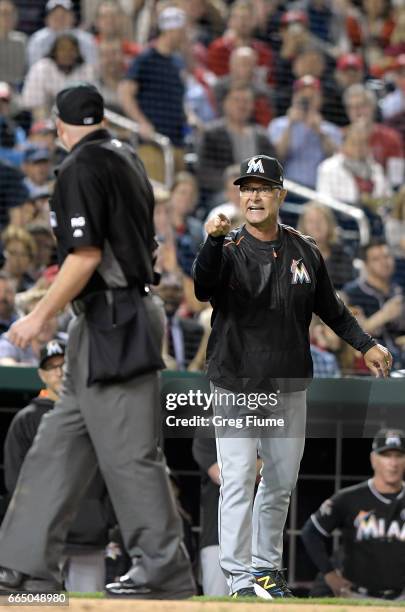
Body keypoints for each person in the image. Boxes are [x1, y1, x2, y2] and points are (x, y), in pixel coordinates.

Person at [0, 83, 195, 599]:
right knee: (55, 446)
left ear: (61, 126)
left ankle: (162, 569)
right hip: (106, 318)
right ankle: (23, 568)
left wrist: (41, 316)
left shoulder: (81, 166)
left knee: (130, 455)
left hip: (117, 319)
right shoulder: (126, 156)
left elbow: (84, 256)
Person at [192, 154, 392, 598]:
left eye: (263, 187)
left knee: (280, 484)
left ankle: (265, 570)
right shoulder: (226, 249)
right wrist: (210, 242)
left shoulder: (305, 249)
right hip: (236, 381)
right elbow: (203, 288)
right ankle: (240, 578)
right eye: (247, 188)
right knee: (240, 477)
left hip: (286, 384)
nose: (254, 195)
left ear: (281, 195)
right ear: (239, 196)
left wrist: (366, 343)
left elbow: (332, 309)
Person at [3, 339, 110, 592]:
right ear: (41, 373)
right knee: (38, 602)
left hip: (89, 535)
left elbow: (110, 473)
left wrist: (105, 520)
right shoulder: (26, 419)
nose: (59, 372)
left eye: (65, 364)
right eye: (52, 367)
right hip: (39, 539)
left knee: (89, 604)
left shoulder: (97, 416)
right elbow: (15, 481)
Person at [302, 428, 405, 600]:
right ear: (373, 460)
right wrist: (329, 574)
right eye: (386, 455)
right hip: (358, 596)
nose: (392, 463)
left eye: (398, 456)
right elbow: (310, 533)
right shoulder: (349, 498)